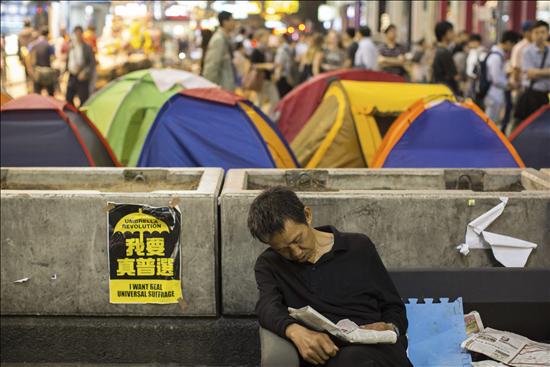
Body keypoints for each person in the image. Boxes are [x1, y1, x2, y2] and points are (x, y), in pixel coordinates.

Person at [250, 187, 411, 366]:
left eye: (297, 240)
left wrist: (391, 328)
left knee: (357, 359)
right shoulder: (270, 264)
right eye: (283, 249)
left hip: (377, 351)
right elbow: (267, 307)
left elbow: (394, 307)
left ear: (307, 215)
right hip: (326, 355)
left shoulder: (358, 247)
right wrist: (296, 331)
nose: (295, 253)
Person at [483, 31, 521, 127]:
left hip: (495, 94)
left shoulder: (497, 55)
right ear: (508, 42)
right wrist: (509, 85)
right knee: (489, 125)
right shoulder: (496, 57)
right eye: (513, 44)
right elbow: (496, 79)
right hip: (493, 95)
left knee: (492, 124)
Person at [516, 20, 550, 121]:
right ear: (532, 34)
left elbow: (534, 72)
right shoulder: (527, 51)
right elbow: (530, 74)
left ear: (548, 33)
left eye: (543, 32)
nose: (540, 35)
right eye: (536, 32)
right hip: (531, 95)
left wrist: (537, 72)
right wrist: (547, 72)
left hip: (546, 96)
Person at [202, 11, 236, 91]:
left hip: (225, 87)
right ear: (225, 22)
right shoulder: (219, 39)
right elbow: (212, 65)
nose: (234, 23)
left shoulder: (224, 38)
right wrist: (209, 88)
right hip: (221, 89)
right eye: (232, 20)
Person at [249, 29, 279, 117]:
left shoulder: (267, 50)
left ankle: (266, 117)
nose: (267, 38)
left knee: (273, 99)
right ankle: (258, 118)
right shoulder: (257, 51)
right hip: (261, 79)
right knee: (260, 101)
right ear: (260, 38)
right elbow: (253, 65)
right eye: (266, 36)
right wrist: (266, 66)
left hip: (267, 79)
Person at [66, 26, 95, 107]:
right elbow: (68, 60)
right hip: (72, 75)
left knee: (84, 100)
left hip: (82, 76)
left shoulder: (87, 47)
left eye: (79, 34)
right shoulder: (71, 46)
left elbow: (92, 63)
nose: (78, 36)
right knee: (68, 98)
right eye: (76, 34)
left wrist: (85, 72)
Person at [432, 21, 460, 95]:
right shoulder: (444, 52)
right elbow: (454, 76)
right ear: (444, 34)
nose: (454, 34)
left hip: (438, 88)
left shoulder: (436, 50)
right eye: (451, 31)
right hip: (447, 90)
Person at [28, 27, 56, 96]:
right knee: (51, 95)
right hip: (47, 72)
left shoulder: (33, 45)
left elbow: (29, 57)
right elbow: (53, 58)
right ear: (48, 34)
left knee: (37, 95)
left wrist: (30, 69)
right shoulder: (49, 45)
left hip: (37, 72)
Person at [510, 21, 534, 86]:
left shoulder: (536, 46)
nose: (533, 33)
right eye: (530, 31)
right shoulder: (519, 47)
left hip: (533, 84)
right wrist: (517, 84)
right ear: (524, 33)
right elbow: (515, 68)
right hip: (520, 84)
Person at [465, 34, 486, 98]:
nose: (469, 44)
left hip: (477, 80)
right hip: (470, 79)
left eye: (470, 42)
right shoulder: (472, 52)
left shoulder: (483, 53)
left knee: (476, 98)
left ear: (476, 42)